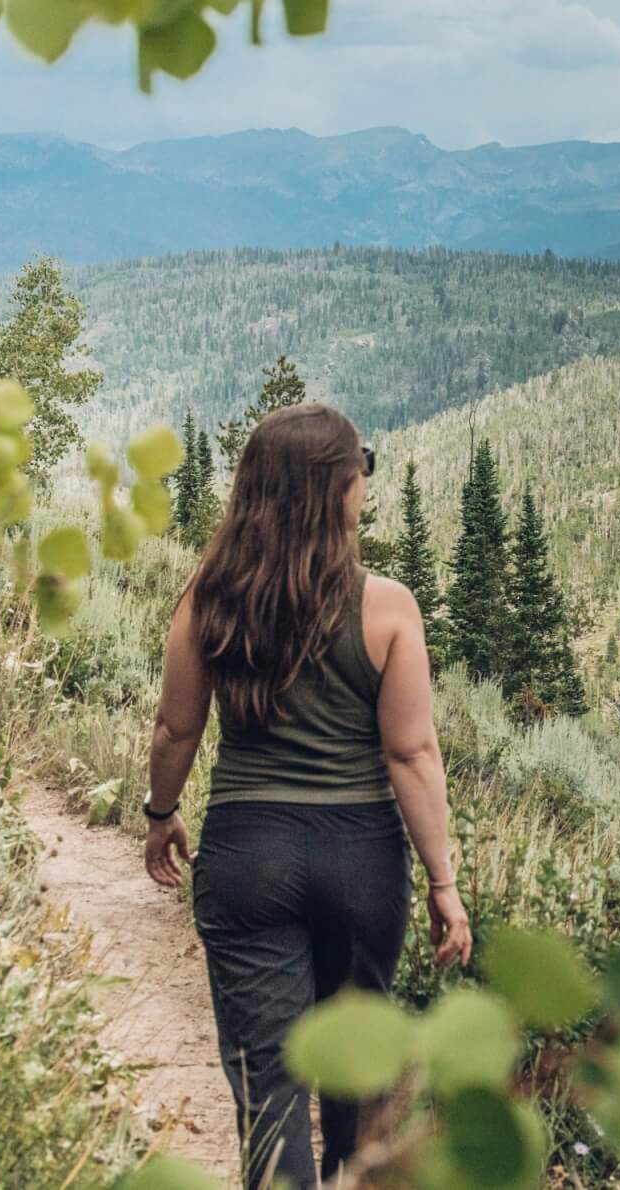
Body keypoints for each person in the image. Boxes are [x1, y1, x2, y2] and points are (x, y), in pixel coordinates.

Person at [140, 403, 471, 1189]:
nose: (366, 478)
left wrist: (160, 816)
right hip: (361, 858)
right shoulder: (386, 607)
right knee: (361, 1067)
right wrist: (444, 882)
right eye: (362, 464)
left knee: (268, 1082)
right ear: (334, 489)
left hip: (246, 855)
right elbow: (412, 753)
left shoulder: (209, 595)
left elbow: (175, 731)